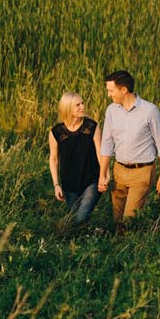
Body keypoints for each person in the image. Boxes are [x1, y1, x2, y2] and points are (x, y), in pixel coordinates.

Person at [97, 70, 160, 232]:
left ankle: (133, 246)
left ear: (124, 90)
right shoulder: (111, 111)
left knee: (129, 219)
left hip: (142, 172)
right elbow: (107, 144)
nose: (109, 95)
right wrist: (103, 173)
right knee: (117, 220)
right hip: (119, 170)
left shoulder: (150, 111)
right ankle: (120, 250)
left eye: (111, 90)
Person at [48, 92, 105, 230]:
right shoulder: (56, 132)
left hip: (91, 180)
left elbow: (101, 153)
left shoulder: (91, 127)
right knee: (74, 221)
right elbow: (54, 159)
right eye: (77, 105)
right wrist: (56, 185)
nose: (82, 107)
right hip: (69, 183)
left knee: (81, 217)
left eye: (82, 103)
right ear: (67, 108)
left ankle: (88, 239)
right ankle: (85, 242)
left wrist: (103, 175)